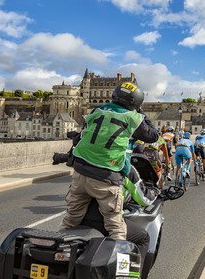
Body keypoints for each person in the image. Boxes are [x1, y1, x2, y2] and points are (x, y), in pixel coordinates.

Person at [58, 81, 159, 240]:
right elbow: (153, 135)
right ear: (136, 103)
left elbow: (84, 135)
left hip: (80, 174)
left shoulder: (97, 110)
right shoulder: (133, 117)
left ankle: (58, 251)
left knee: (70, 220)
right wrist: (141, 112)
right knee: (115, 226)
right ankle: (118, 261)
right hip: (106, 178)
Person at [80, 165, 160, 275]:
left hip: (80, 218)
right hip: (105, 222)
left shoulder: (85, 163)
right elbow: (143, 199)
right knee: (143, 238)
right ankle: (134, 275)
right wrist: (155, 192)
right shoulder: (125, 168)